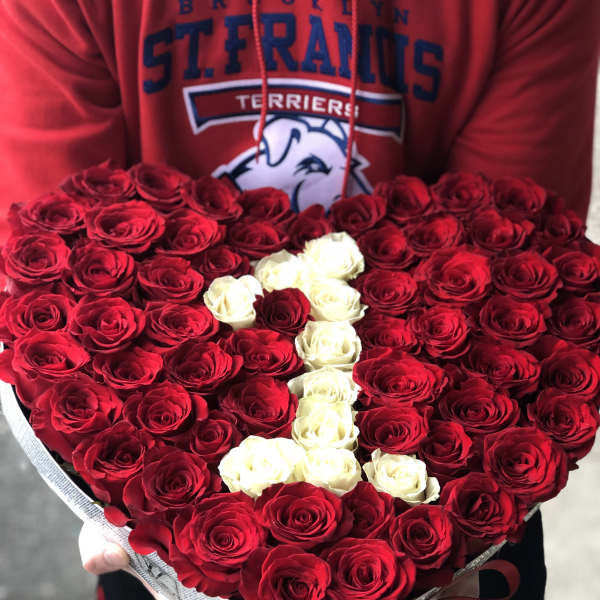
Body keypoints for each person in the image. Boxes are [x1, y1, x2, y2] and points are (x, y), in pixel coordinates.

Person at [0, 1, 598, 599]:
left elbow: (509, 251)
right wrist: (109, 481)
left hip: (445, 516)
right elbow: (59, 250)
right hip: (168, 530)